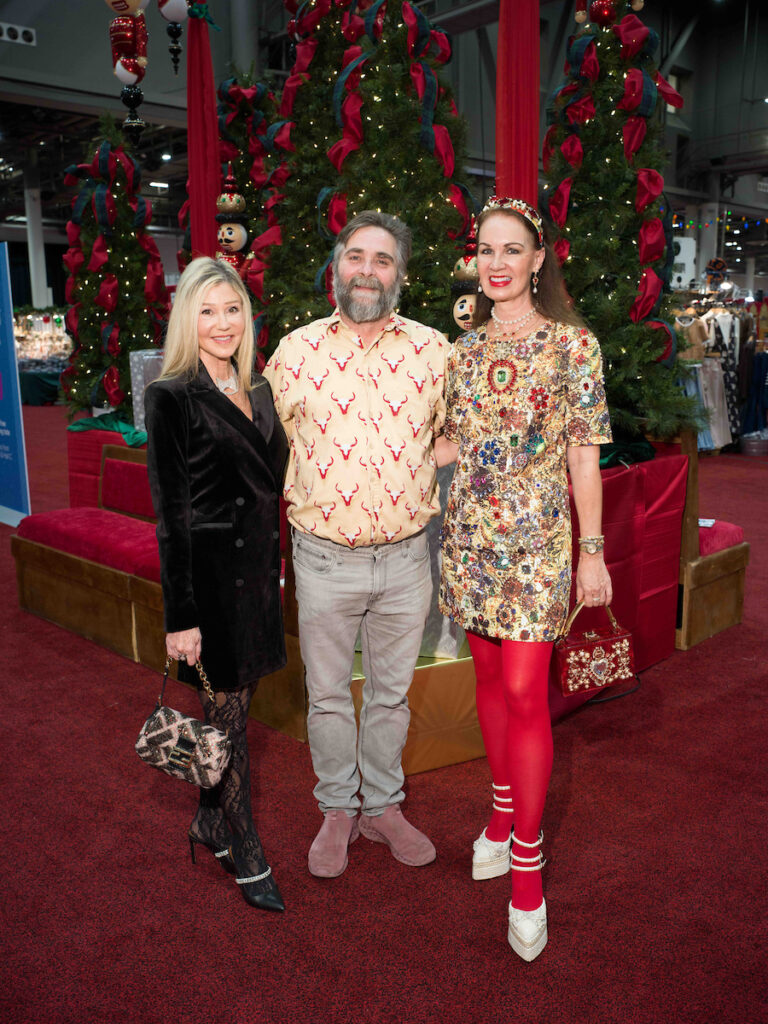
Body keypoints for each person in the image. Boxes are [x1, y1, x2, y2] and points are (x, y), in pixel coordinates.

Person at [434, 196, 613, 961]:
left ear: (539, 260)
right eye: (486, 250)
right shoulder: (460, 351)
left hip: (538, 546)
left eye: (513, 250)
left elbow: (582, 456)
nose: (497, 262)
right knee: (484, 681)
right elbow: (447, 445)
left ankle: (528, 872)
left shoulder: (574, 348)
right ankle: (501, 816)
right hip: (470, 541)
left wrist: (593, 549)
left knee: (521, 692)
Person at [263, 211, 448, 878]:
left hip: (405, 558)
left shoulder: (434, 351)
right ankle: (339, 809)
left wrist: (418, 466)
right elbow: (262, 442)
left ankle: (385, 807)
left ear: (400, 274)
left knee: (392, 697)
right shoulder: (295, 352)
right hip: (322, 558)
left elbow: (452, 435)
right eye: (356, 256)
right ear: (337, 265)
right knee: (330, 696)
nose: (368, 270)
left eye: (383, 260)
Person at [144, 257, 289, 912]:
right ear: (187, 320)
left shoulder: (257, 389)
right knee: (226, 720)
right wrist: (181, 615)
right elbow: (170, 516)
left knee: (236, 713)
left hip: (258, 580)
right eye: (207, 311)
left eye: (232, 309)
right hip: (209, 586)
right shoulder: (172, 394)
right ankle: (245, 842)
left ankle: (208, 817)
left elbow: (270, 484)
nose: (223, 323)